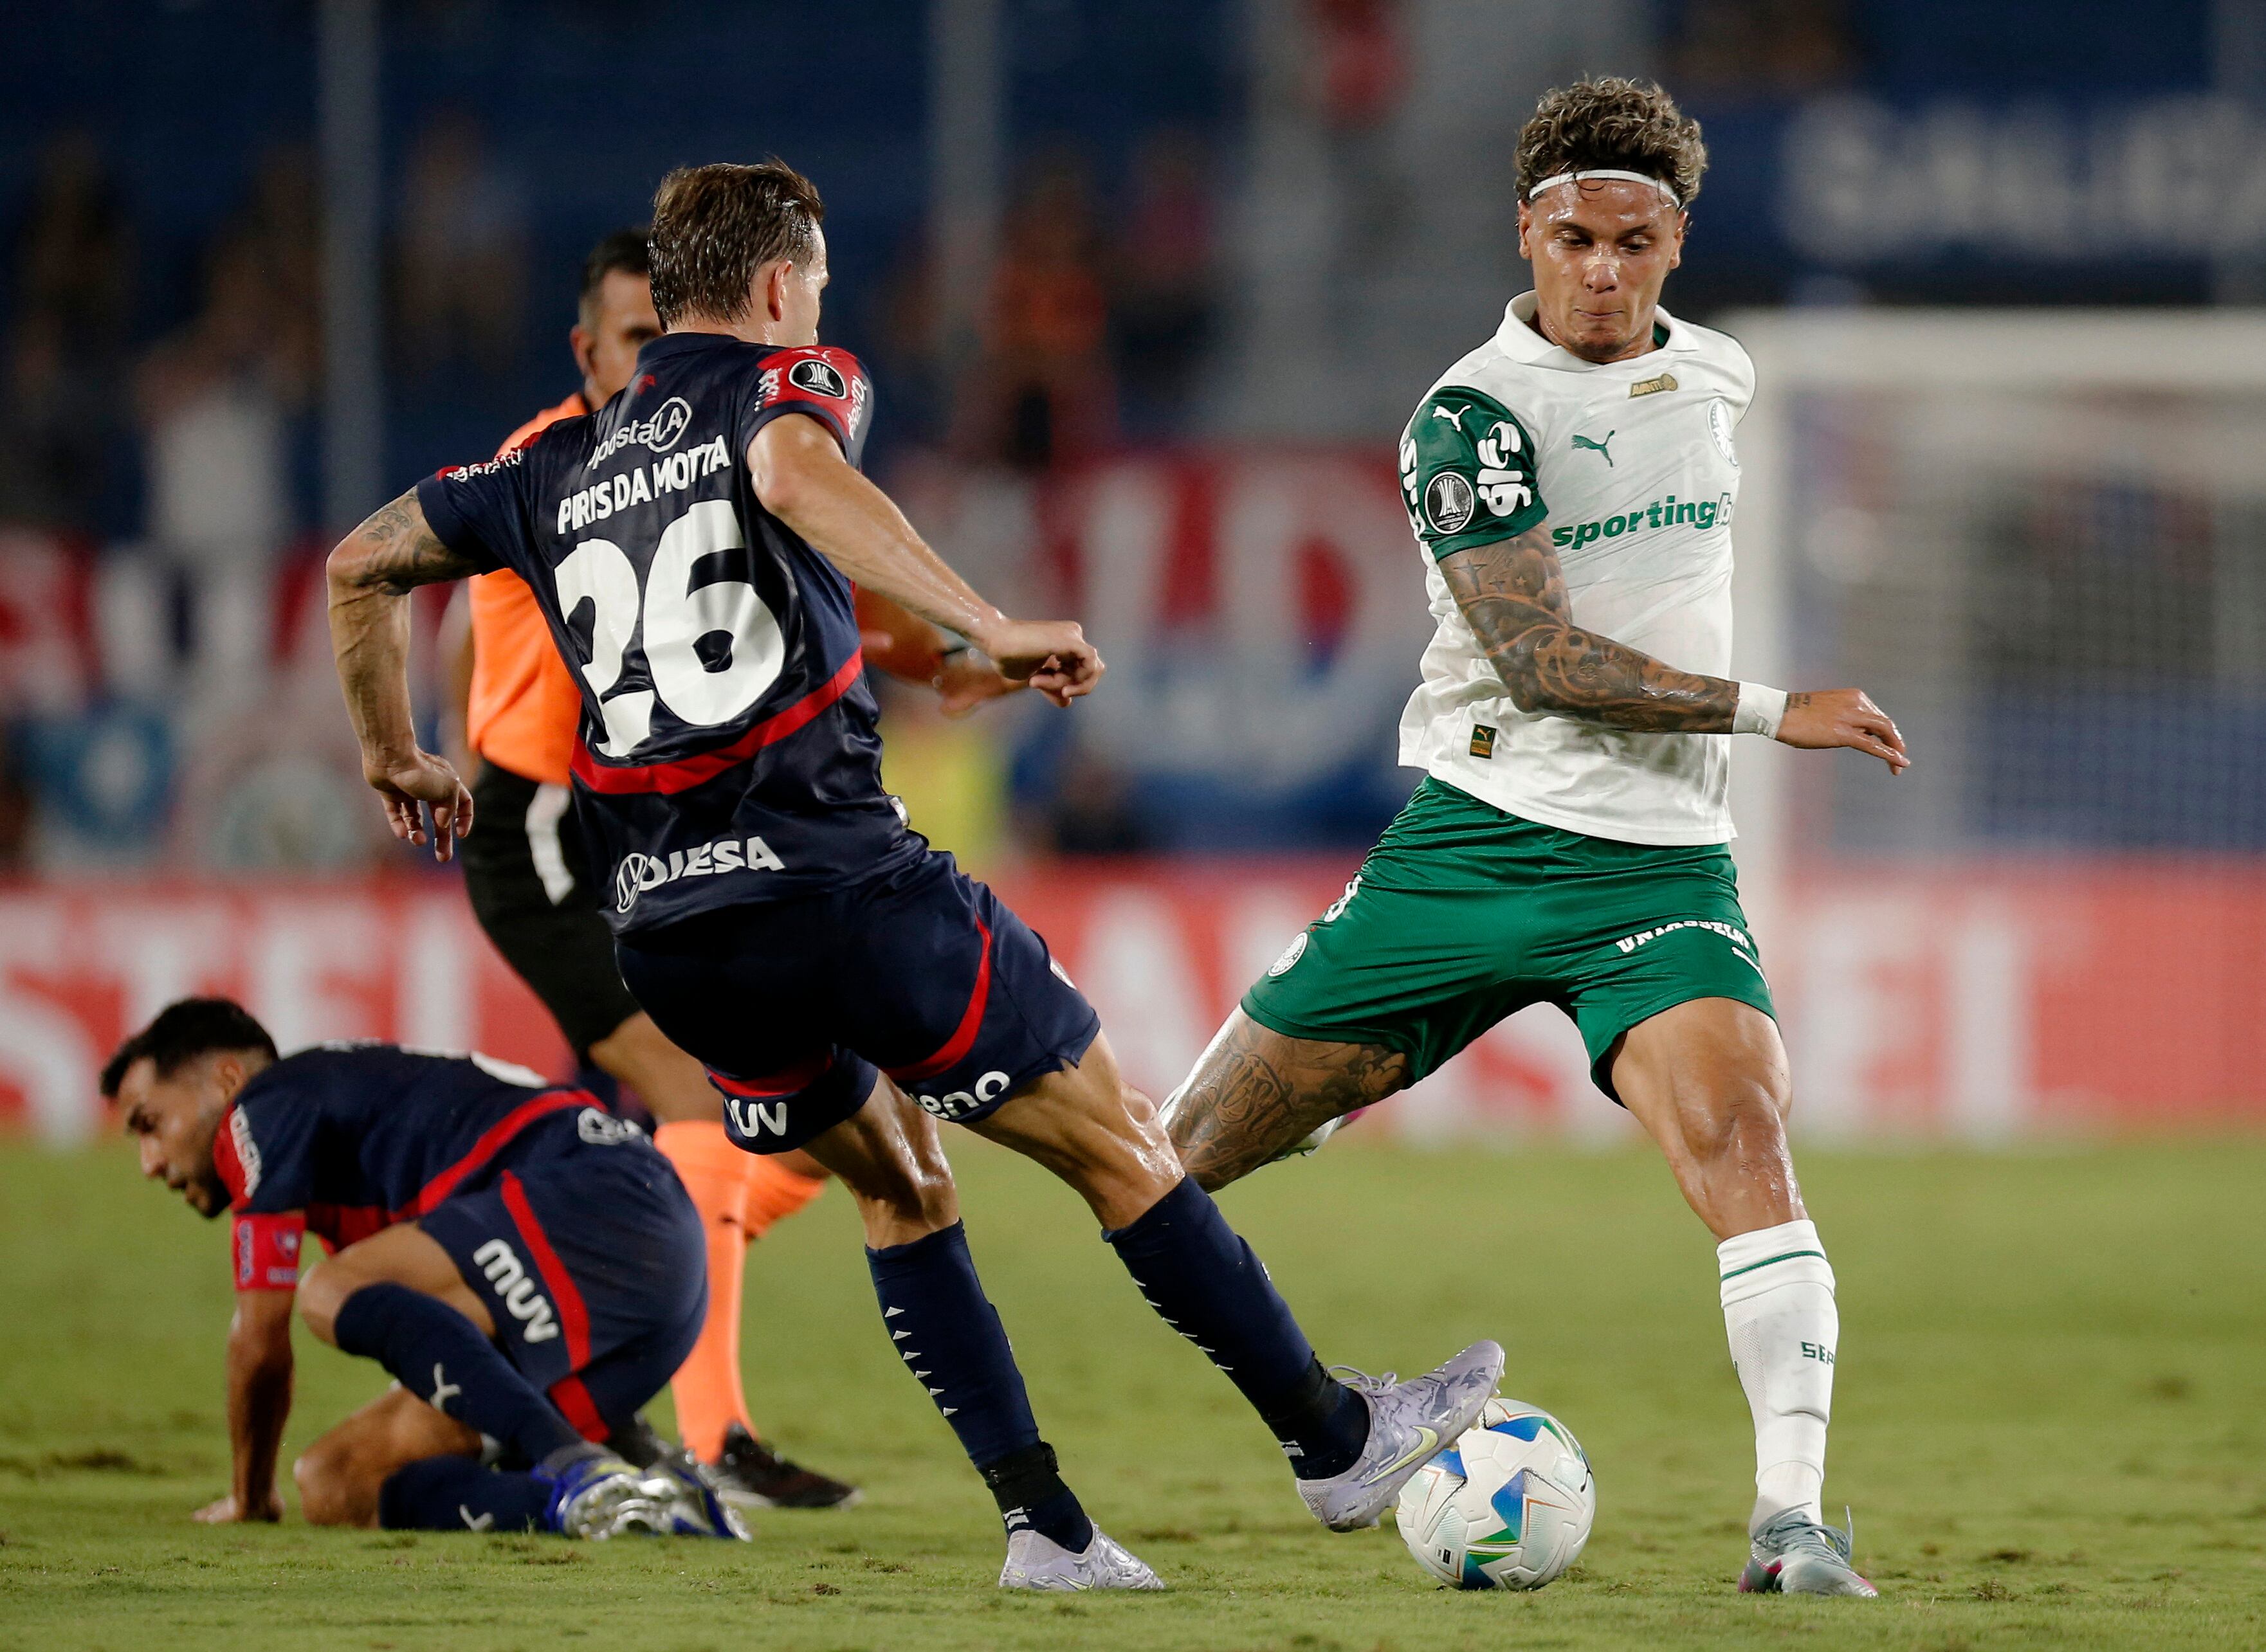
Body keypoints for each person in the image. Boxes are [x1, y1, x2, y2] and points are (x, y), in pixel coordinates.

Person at [325, 158, 1504, 1592]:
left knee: (900, 1184)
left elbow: (359, 565)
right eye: (815, 283)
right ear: (778, 284)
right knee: (1115, 1142)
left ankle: (1046, 1531)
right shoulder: (788, 381)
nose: (819, 305)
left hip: (672, 933)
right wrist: (984, 620)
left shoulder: (542, 469)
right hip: (838, 886)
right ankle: (1335, 1440)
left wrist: (393, 753)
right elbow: (790, 474)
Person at [1160, 78, 1906, 1600]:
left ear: (1675, 241)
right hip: (1474, 851)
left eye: (1633, 242)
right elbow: (1542, 661)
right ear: (1526, 232)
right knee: (1165, 1165)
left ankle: (1791, 1525)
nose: (1602, 272)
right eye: (1574, 240)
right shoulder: (1470, 417)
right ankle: (1325, 1428)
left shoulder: (1721, 378)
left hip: (1659, 869)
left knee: (1745, 1143)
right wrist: (1780, 713)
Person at [444, 227, 1005, 1509]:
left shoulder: (700, 452)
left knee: (837, 1115)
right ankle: (711, 1436)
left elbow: (799, 581)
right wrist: (451, 760)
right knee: (701, 1100)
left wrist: (945, 657)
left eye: (671, 332)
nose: (662, 359)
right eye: (635, 340)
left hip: (664, 828)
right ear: (587, 351)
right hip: (551, 830)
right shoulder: (551, 466)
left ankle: (592, 1297)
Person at [107, 997, 744, 1540]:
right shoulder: (357, 1129)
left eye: (150, 1123)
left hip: (602, 1196)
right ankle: (639, 1501)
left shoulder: (263, 1106)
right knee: (337, 1481)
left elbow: (260, 1337)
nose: (149, 1163)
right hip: (650, 1294)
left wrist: (249, 1496)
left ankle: (573, 1459)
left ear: (226, 1080)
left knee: (329, 1290)